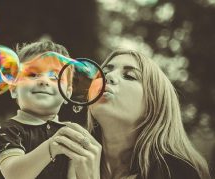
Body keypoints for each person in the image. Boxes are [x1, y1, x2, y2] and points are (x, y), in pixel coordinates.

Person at [49, 49, 211, 179]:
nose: (109, 77)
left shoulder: (177, 171)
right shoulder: (64, 157)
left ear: (154, 104)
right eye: (103, 72)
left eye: (129, 76)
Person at [0, 39, 75, 179]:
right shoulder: (10, 129)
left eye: (55, 76)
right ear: (14, 89)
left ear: (68, 93)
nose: (43, 81)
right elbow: (14, 175)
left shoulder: (70, 133)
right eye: (32, 74)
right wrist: (52, 146)